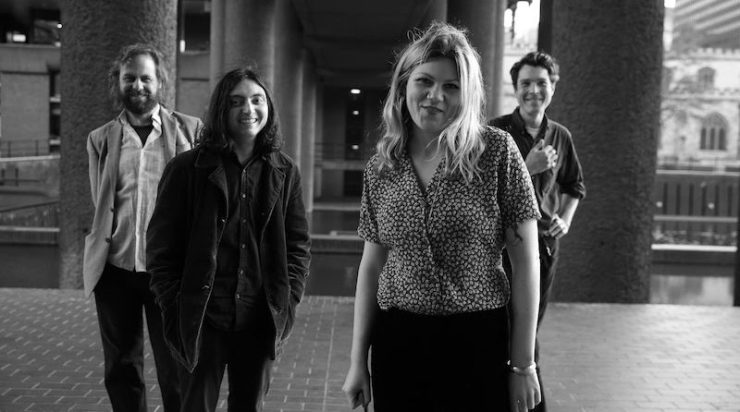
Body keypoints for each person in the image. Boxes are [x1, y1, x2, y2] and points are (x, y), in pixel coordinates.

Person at [342, 22, 542, 412]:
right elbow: (371, 267)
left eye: (451, 86)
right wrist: (357, 362)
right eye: (425, 81)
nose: (436, 96)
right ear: (404, 85)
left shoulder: (496, 152)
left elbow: (526, 263)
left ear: (467, 95)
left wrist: (523, 364)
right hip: (398, 342)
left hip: (477, 340)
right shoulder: (382, 167)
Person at [146, 67, 311, 412]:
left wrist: (289, 300)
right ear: (222, 109)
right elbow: (161, 249)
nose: (248, 109)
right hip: (202, 317)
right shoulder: (186, 169)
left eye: (256, 100)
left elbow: (298, 246)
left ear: (268, 107)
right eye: (236, 102)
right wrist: (173, 306)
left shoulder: (285, 172)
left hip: (259, 318)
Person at [83, 43, 201, 411]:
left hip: (168, 272)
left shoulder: (190, 130)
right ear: (117, 82)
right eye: (129, 78)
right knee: (121, 367)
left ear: (159, 82)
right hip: (115, 268)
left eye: (146, 78)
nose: (138, 85)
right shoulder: (100, 139)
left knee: (176, 368)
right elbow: (102, 203)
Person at [490, 51, 586, 412]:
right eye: (526, 83)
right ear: (515, 89)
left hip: (543, 247)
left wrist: (566, 218)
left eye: (541, 83)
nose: (534, 90)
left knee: (529, 326)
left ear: (553, 87)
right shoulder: (496, 132)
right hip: (499, 247)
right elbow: (482, 190)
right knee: (505, 326)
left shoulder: (560, 136)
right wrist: (527, 168)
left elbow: (574, 185)